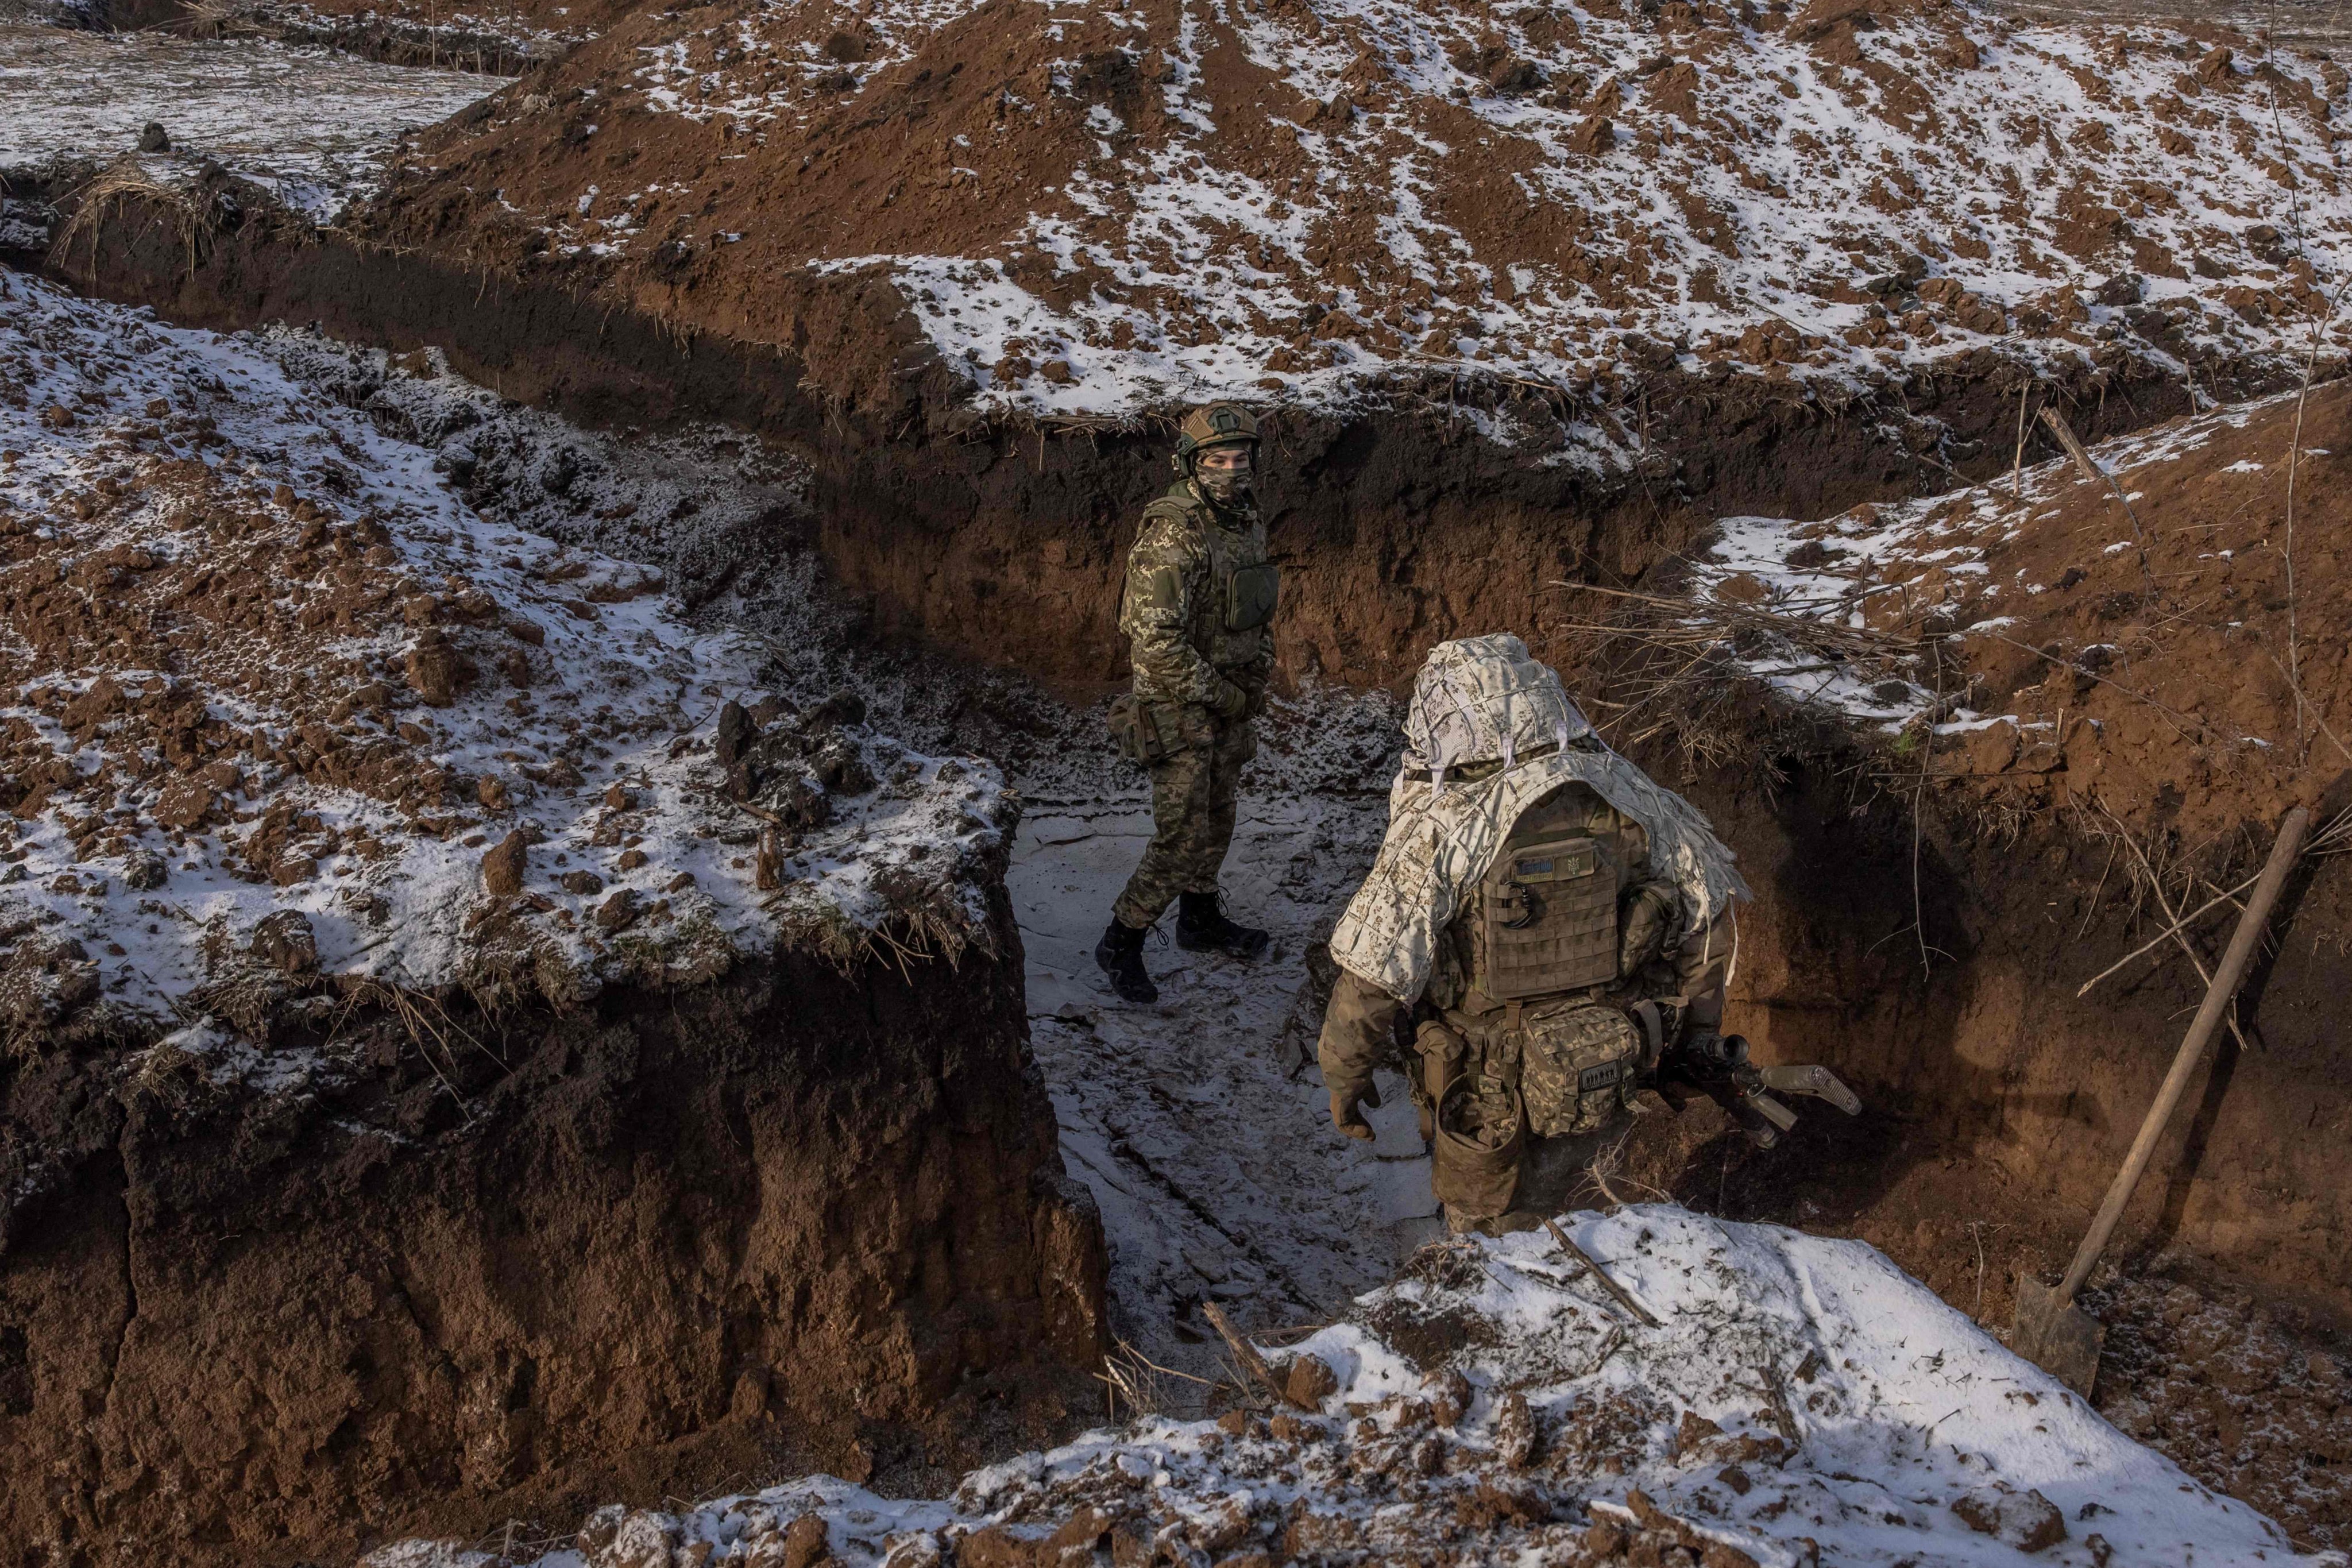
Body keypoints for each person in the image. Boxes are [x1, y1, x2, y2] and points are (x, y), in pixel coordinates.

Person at [1315, 635, 1855, 1235]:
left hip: (1483, 1095)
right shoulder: (1630, 794)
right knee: (1594, 1214)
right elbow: (1707, 917)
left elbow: (1373, 974)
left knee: (1486, 1248)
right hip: (1607, 1068)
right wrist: (1698, 1034)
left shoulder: (1444, 823)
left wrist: (1345, 1076)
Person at [1095, 403, 1281, 1005]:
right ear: (1191, 466)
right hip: (1180, 708)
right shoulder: (1174, 532)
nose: (1232, 469)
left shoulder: (1245, 520)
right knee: (1180, 841)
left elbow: (1256, 611)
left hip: (1228, 702)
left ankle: (1199, 922)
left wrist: (1256, 678)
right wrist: (1223, 694)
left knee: (1219, 818)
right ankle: (1121, 941)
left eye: (1240, 457)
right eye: (1217, 460)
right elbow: (1154, 645)